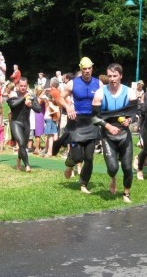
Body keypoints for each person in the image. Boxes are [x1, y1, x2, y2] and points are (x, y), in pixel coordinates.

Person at [91, 63, 137, 202]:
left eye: (115, 76)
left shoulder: (129, 92)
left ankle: (126, 193)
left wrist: (129, 121)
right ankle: (113, 178)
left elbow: (136, 113)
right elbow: (94, 118)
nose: (112, 79)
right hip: (108, 134)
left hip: (124, 134)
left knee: (127, 167)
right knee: (112, 168)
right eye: (110, 76)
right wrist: (108, 126)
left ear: (121, 76)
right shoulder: (100, 93)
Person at [56, 57, 101, 194]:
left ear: (92, 68)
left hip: (91, 122)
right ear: (81, 69)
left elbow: (106, 99)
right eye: (84, 69)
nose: (87, 71)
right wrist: (68, 107)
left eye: (89, 68)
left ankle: (83, 184)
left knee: (89, 156)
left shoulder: (98, 83)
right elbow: (59, 97)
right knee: (77, 157)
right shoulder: (72, 83)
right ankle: (70, 164)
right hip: (76, 121)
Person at [7, 77, 42, 172]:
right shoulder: (14, 94)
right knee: (21, 143)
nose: (23, 87)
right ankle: (27, 165)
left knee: (23, 145)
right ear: (18, 85)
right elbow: (13, 104)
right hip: (16, 122)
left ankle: (18, 159)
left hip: (26, 123)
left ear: (27, 86)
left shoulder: (31, 95)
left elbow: (39, 109)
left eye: (24, 86)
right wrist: (23, 98)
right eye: (21, 86)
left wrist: (31, 105)